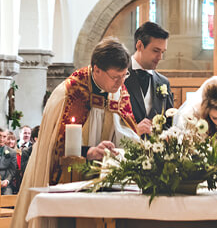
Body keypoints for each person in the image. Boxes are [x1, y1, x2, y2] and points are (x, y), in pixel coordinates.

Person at [12, 38, 142, 228]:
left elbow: (127, 132)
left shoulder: (119, 91)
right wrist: (87, 152)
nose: (121, 82)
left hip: (105, 181)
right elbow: (55, 146)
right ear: (97, 69)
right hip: (70, 176)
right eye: (116, 77)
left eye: (125, 75)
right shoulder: (70, 93)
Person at [123, 22, 174, 130]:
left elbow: (169, 123)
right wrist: (134, 131)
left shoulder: (164, 82)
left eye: (162, 52)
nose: (160, 57)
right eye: (156, 51)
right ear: (139, 45)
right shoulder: (119, 76)